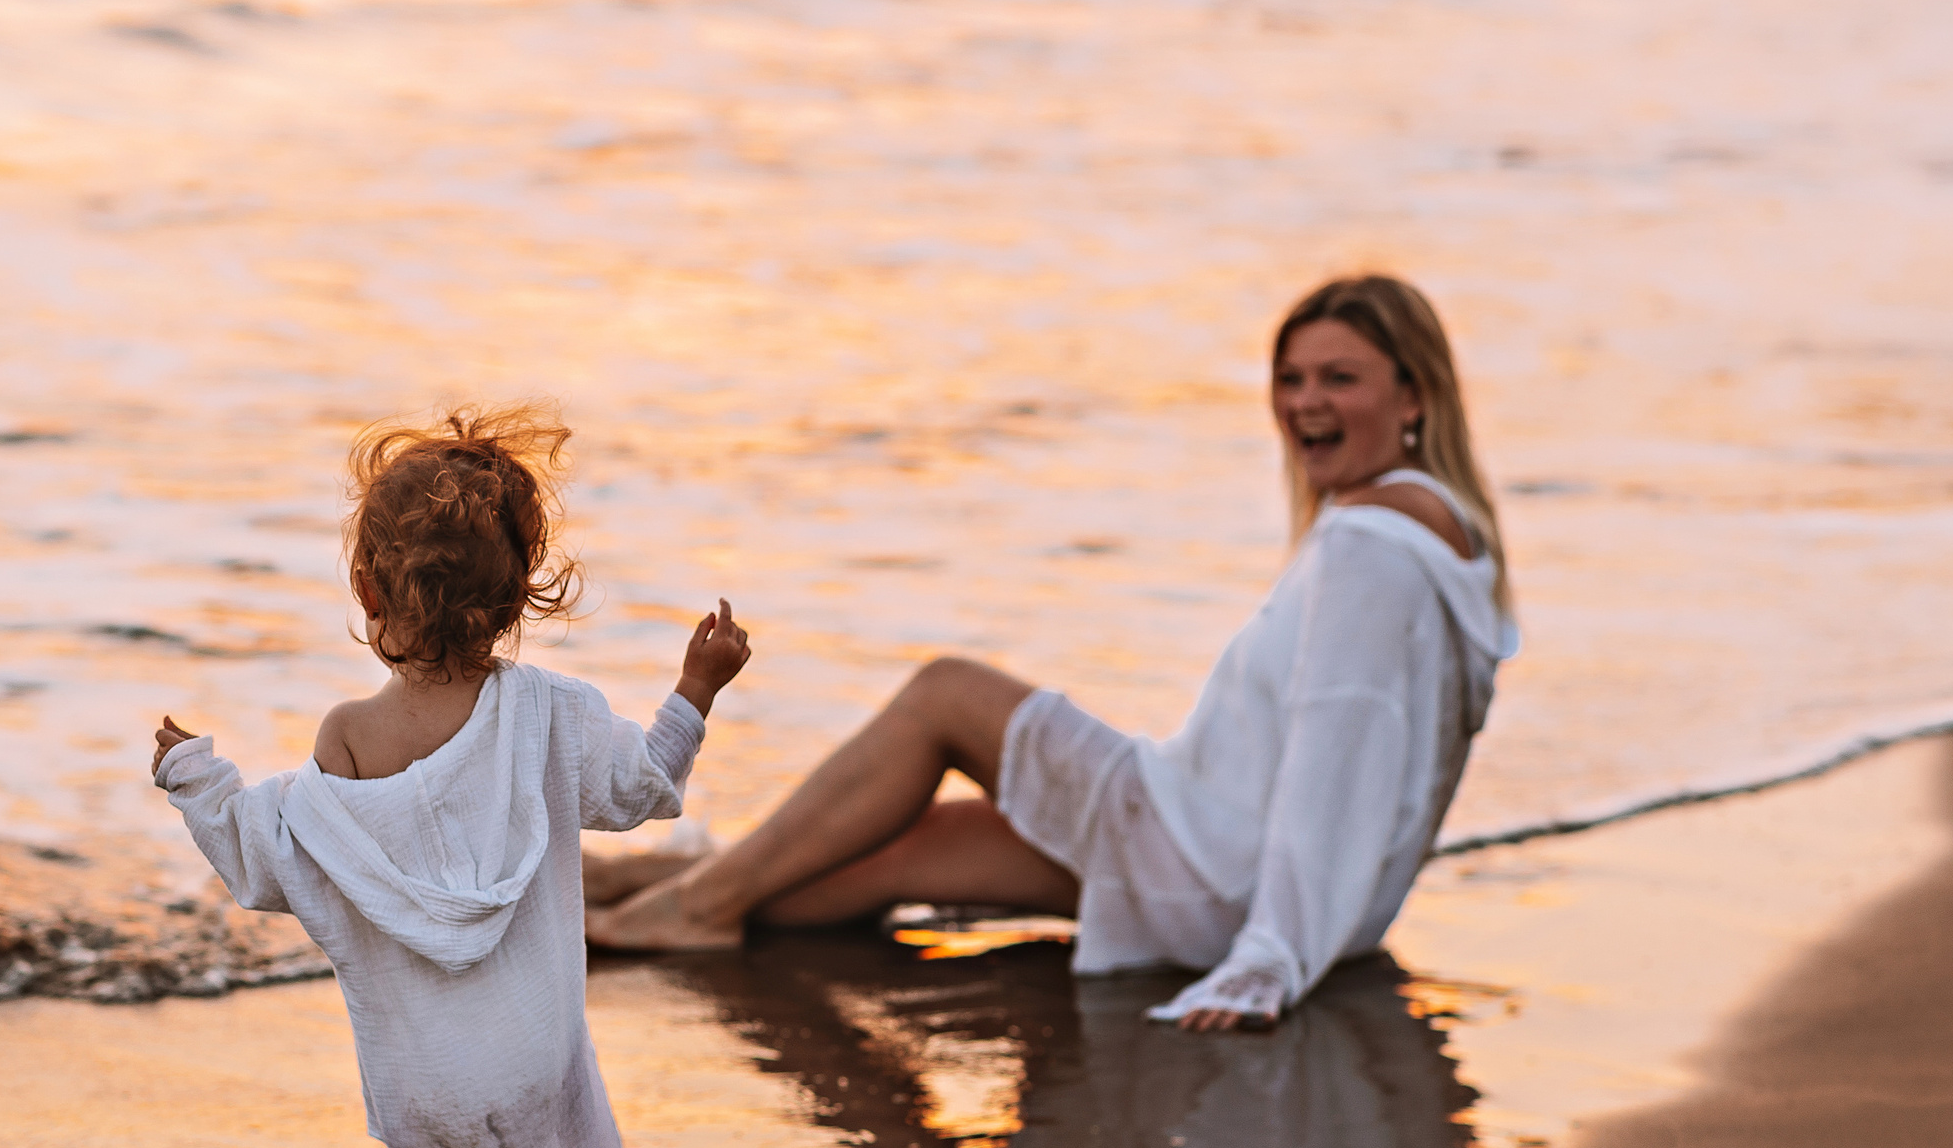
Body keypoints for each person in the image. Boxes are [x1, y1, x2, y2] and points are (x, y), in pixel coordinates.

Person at [586, 275, 1514, 1031]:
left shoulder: (1367, 548)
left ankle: (694, 906)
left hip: (1212, 863)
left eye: (1339, 378)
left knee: (947, 693)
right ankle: (634, 883)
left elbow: (1334, 752)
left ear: (1414, 394)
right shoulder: (1444, 537)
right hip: (1224, 863)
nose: (1307, 401)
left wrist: (1271, 955)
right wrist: (1325, 923)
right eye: (1292, 377)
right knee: (898, 850)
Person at [152, 404, 751, 1148]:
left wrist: (195, 778)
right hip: (536, 1049)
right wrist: (696, 688)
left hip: (421, 1076)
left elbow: (267, 861)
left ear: (367, 589)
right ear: (517, 597)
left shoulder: (348, 738)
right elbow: (641, 787)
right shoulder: (550, 714)